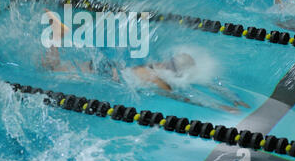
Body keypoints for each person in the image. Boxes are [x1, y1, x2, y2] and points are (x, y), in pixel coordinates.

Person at [42, 9, 249, 113]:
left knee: (53, 68)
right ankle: (61, 36)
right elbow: (190, 96)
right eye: (173, 60)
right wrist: (224, 106)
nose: (169, 62)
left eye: (174, 63)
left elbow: (200, 89)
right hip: (111, 73)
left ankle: (60, 36)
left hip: (113, 70)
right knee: (53, 70)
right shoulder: (162, 79)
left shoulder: (160, 75)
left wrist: (228, 102)